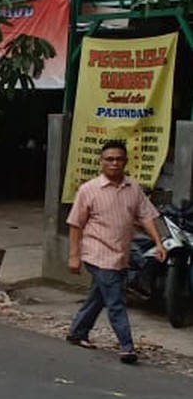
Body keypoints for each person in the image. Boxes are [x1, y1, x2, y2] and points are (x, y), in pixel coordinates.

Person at [66, 138, 165, 363]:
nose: (114, 163)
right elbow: (75, 224)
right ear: (101, 162)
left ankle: (77, 332)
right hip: (97, 253)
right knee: (116, 300)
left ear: (125, 161)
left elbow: (146, 216)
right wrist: (74, 255)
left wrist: (158, 242)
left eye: (119, 159)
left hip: (121, 253)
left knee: (99, 296)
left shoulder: (133, 188)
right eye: (109, 159)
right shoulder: (88, 190)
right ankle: (127, 346)